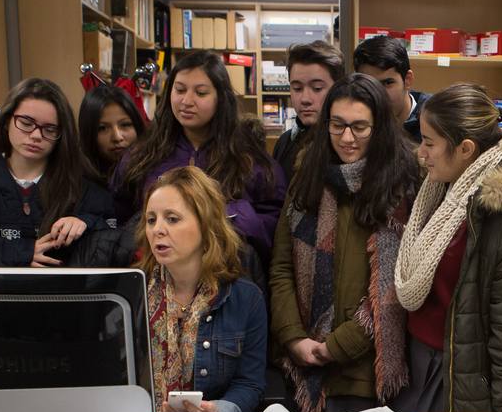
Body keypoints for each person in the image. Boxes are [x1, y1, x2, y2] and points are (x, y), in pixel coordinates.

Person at [392, 83, 502, 412]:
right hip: (422, 363)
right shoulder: (443, 187)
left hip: (460, 375)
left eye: (429, 143)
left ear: (465, 149)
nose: (420, 153)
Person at [270, 73, 420, 412]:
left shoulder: (404, 183)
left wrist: (337, 346)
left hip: (370, 373)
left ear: (379, 127)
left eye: (359, 127)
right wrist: (294, 337)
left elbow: (400, 282)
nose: (347, 138)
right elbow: (281, 267)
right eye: (337, 126)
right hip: (307, 365)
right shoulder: (307, 175)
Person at [111, 50, 285, 262]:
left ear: (221, 98)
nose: (186, 101)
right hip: (155, 274)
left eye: (201, 93)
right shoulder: (144, 154)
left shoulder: (248, 158)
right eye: (180, 90)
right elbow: (118, 217)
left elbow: (275, 227)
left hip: (227, 275)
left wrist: (231, 216)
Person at [0, 77, 114, 267]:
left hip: (60, 295)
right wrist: (20, 253)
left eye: (49, 129)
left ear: (62, 135)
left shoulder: (85, 190)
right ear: (6, 121)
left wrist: (87, 222)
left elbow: (116, 243)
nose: (36, 135)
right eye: (26, 122)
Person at [140, 166, 267, 412]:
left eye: (172, 219)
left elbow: (249, 384)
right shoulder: (133, 295)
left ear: (206, 224)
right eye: (151, 219)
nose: (158, 230)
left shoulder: (245, 298)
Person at [272, 40, 345, 183]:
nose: (305, 99)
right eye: (297, 88)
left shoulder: (347, 144)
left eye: (317, 88)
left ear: (338, 88)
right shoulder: (284, 142)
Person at [353, 36, 429, 143]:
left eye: (387, 83)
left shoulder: (436, 123)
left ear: (407, 80)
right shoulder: (352, 123)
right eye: (369, 84)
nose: (378, 94)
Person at [78, 84, 146, 184]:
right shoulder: (78, 184)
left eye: (125, 124)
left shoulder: (155, 175)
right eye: (102, 128)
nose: (117, 137)